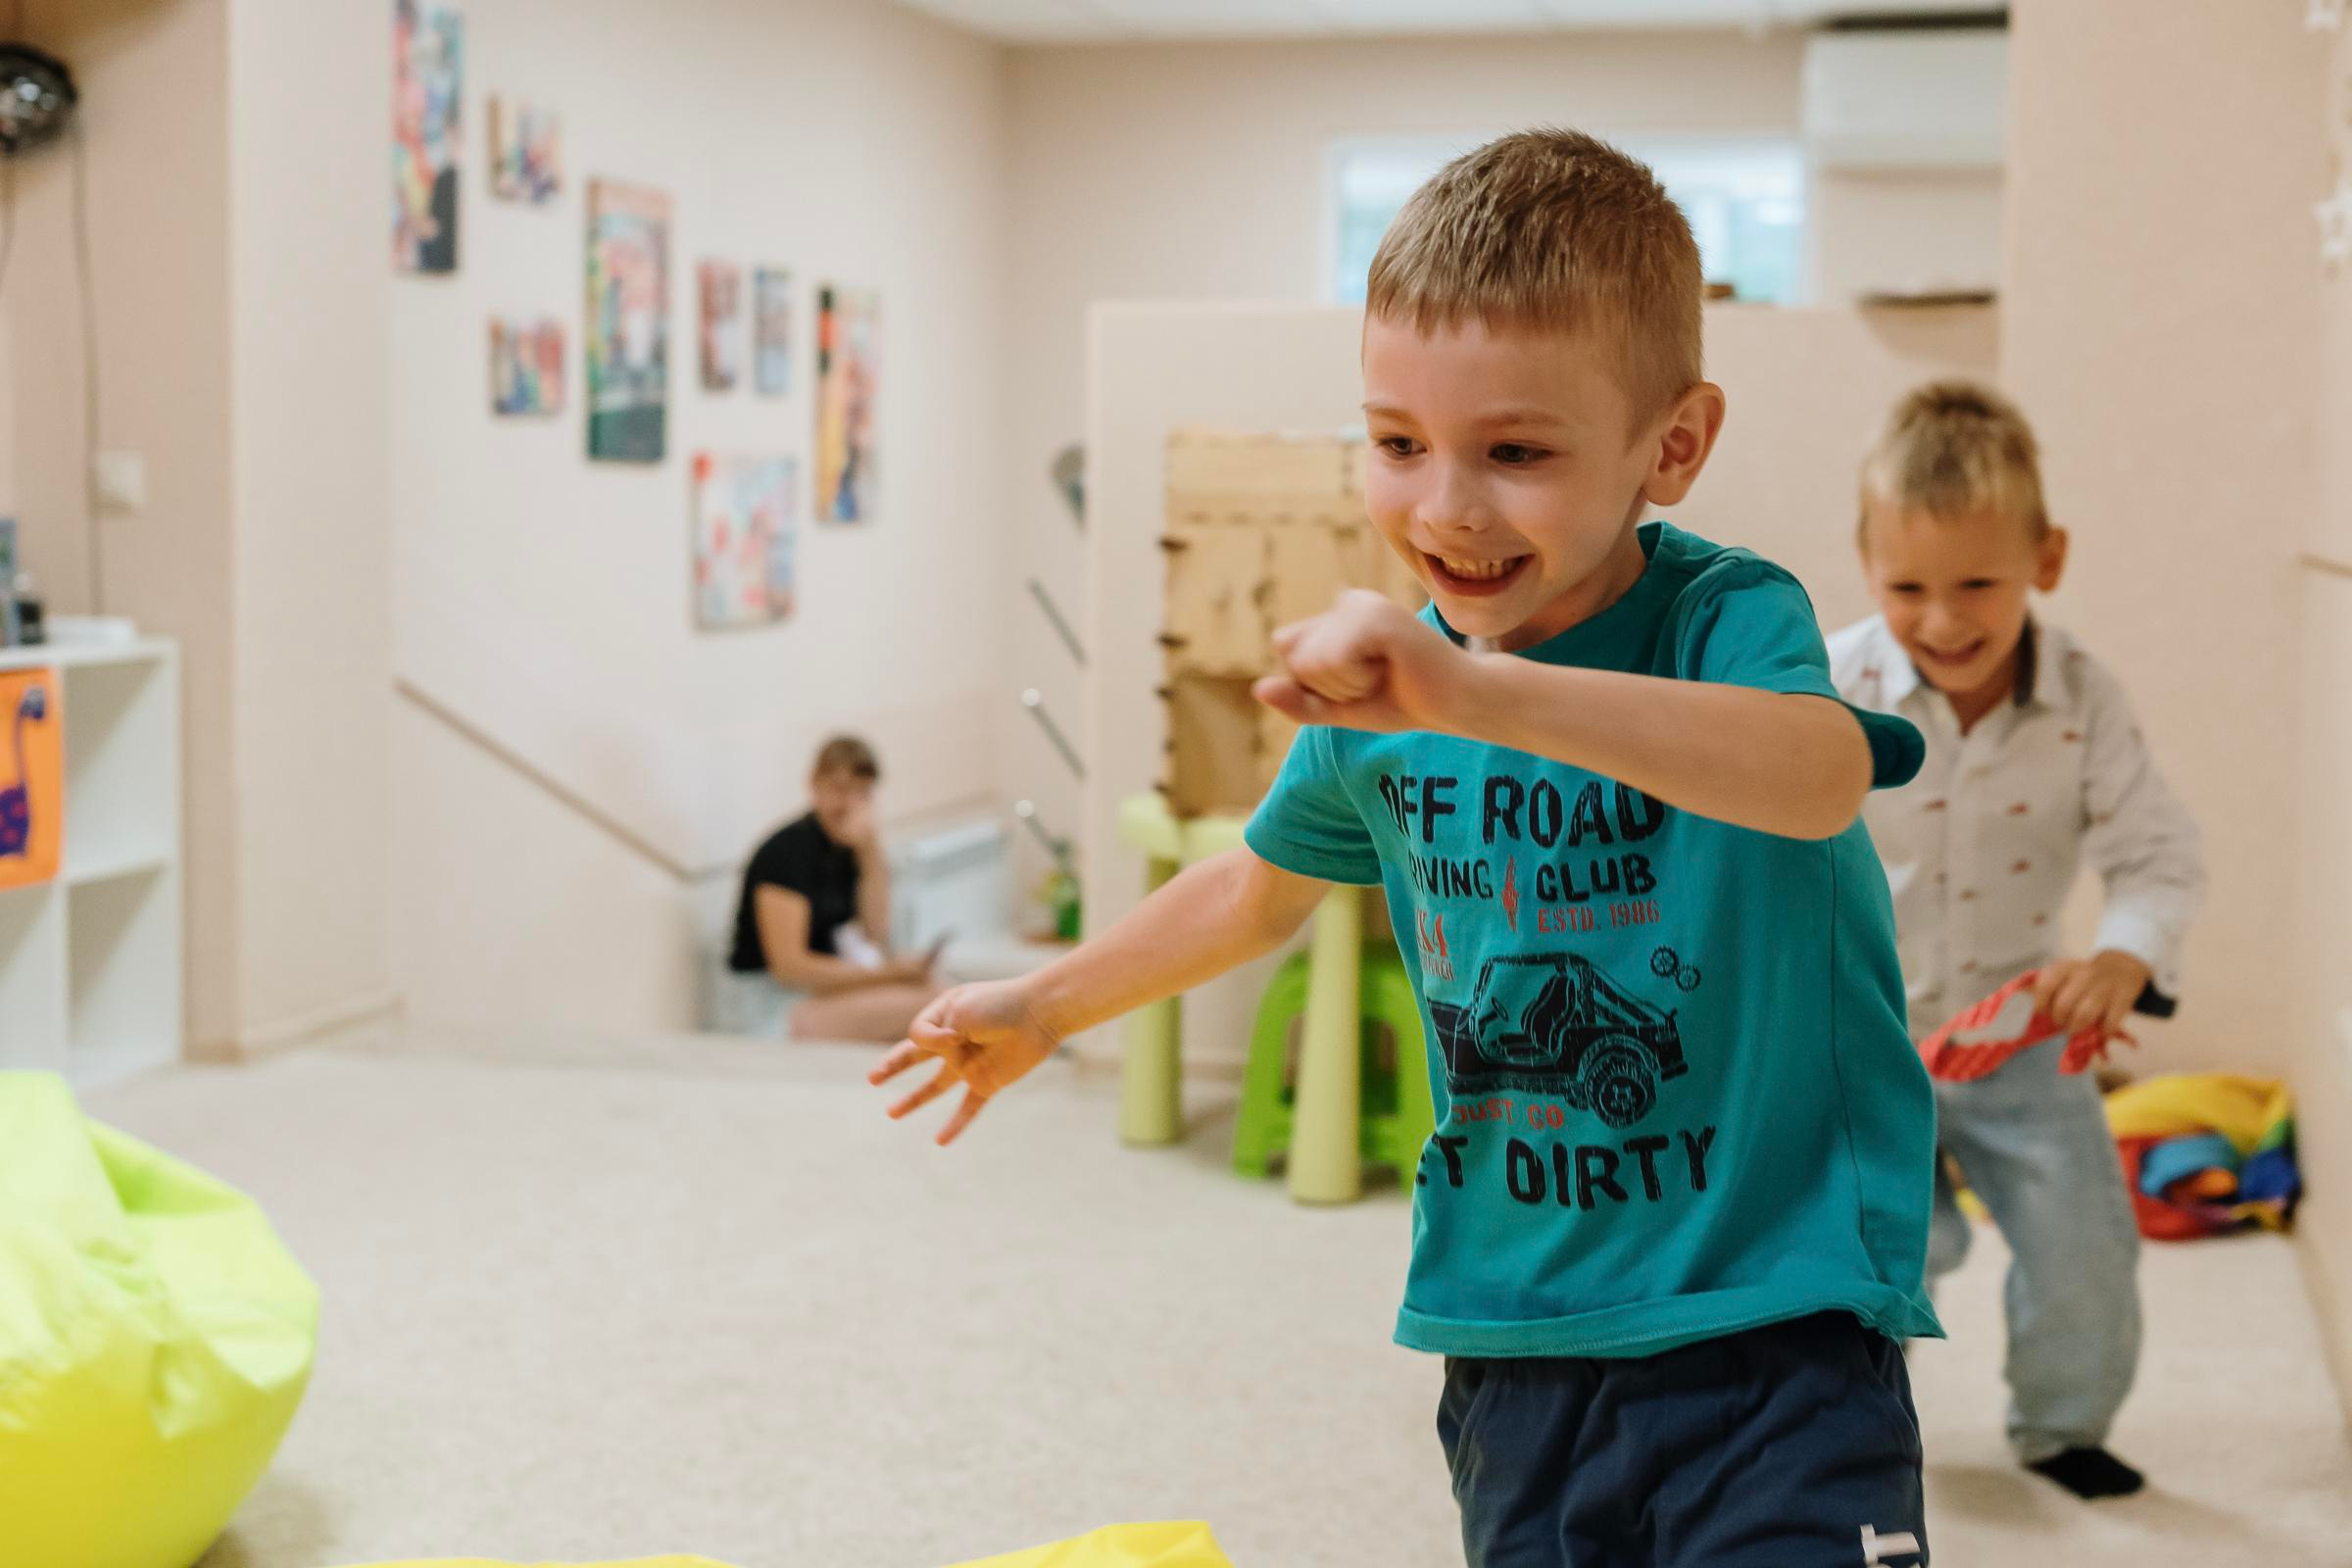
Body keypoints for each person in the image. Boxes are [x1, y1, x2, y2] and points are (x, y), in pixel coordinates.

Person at [875, 129, 1943, 1566]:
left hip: (1780, 1315)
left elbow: (1815, 781)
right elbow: (1255, 891)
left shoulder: (1725, 620)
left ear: (1672, 444)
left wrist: (1475, 690)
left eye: (1516, 452)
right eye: (1397, 444)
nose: (1444, 507)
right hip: (1511, 1330)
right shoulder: (1385, 704)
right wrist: (1045, 1003)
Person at [1830, 381, 2206, 1501]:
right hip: (1862, 1033)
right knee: (1889, 1249)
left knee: (2085, 1244)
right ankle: (1842, 1429)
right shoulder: (1829, 683)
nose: (1944, 621)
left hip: (2022, 1031)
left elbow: (2160, 854)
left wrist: (2125, 955)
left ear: (2046, 557)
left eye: (1978, 586)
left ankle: (2061, 1423)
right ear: (1866, 564)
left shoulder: (2087, 698)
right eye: (1909, 588)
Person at [721, 735, 942, 1043]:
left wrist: (870, 850)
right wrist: (888, 975)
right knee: (932, 1006)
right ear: (815, 784)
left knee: (938, 991)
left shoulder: (849, 849)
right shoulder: (786, 851)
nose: (850, 804)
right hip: (770, 1005)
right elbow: (789, 967)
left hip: (818, 993)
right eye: (840, 789)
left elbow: (876, 933)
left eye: (862, 793)